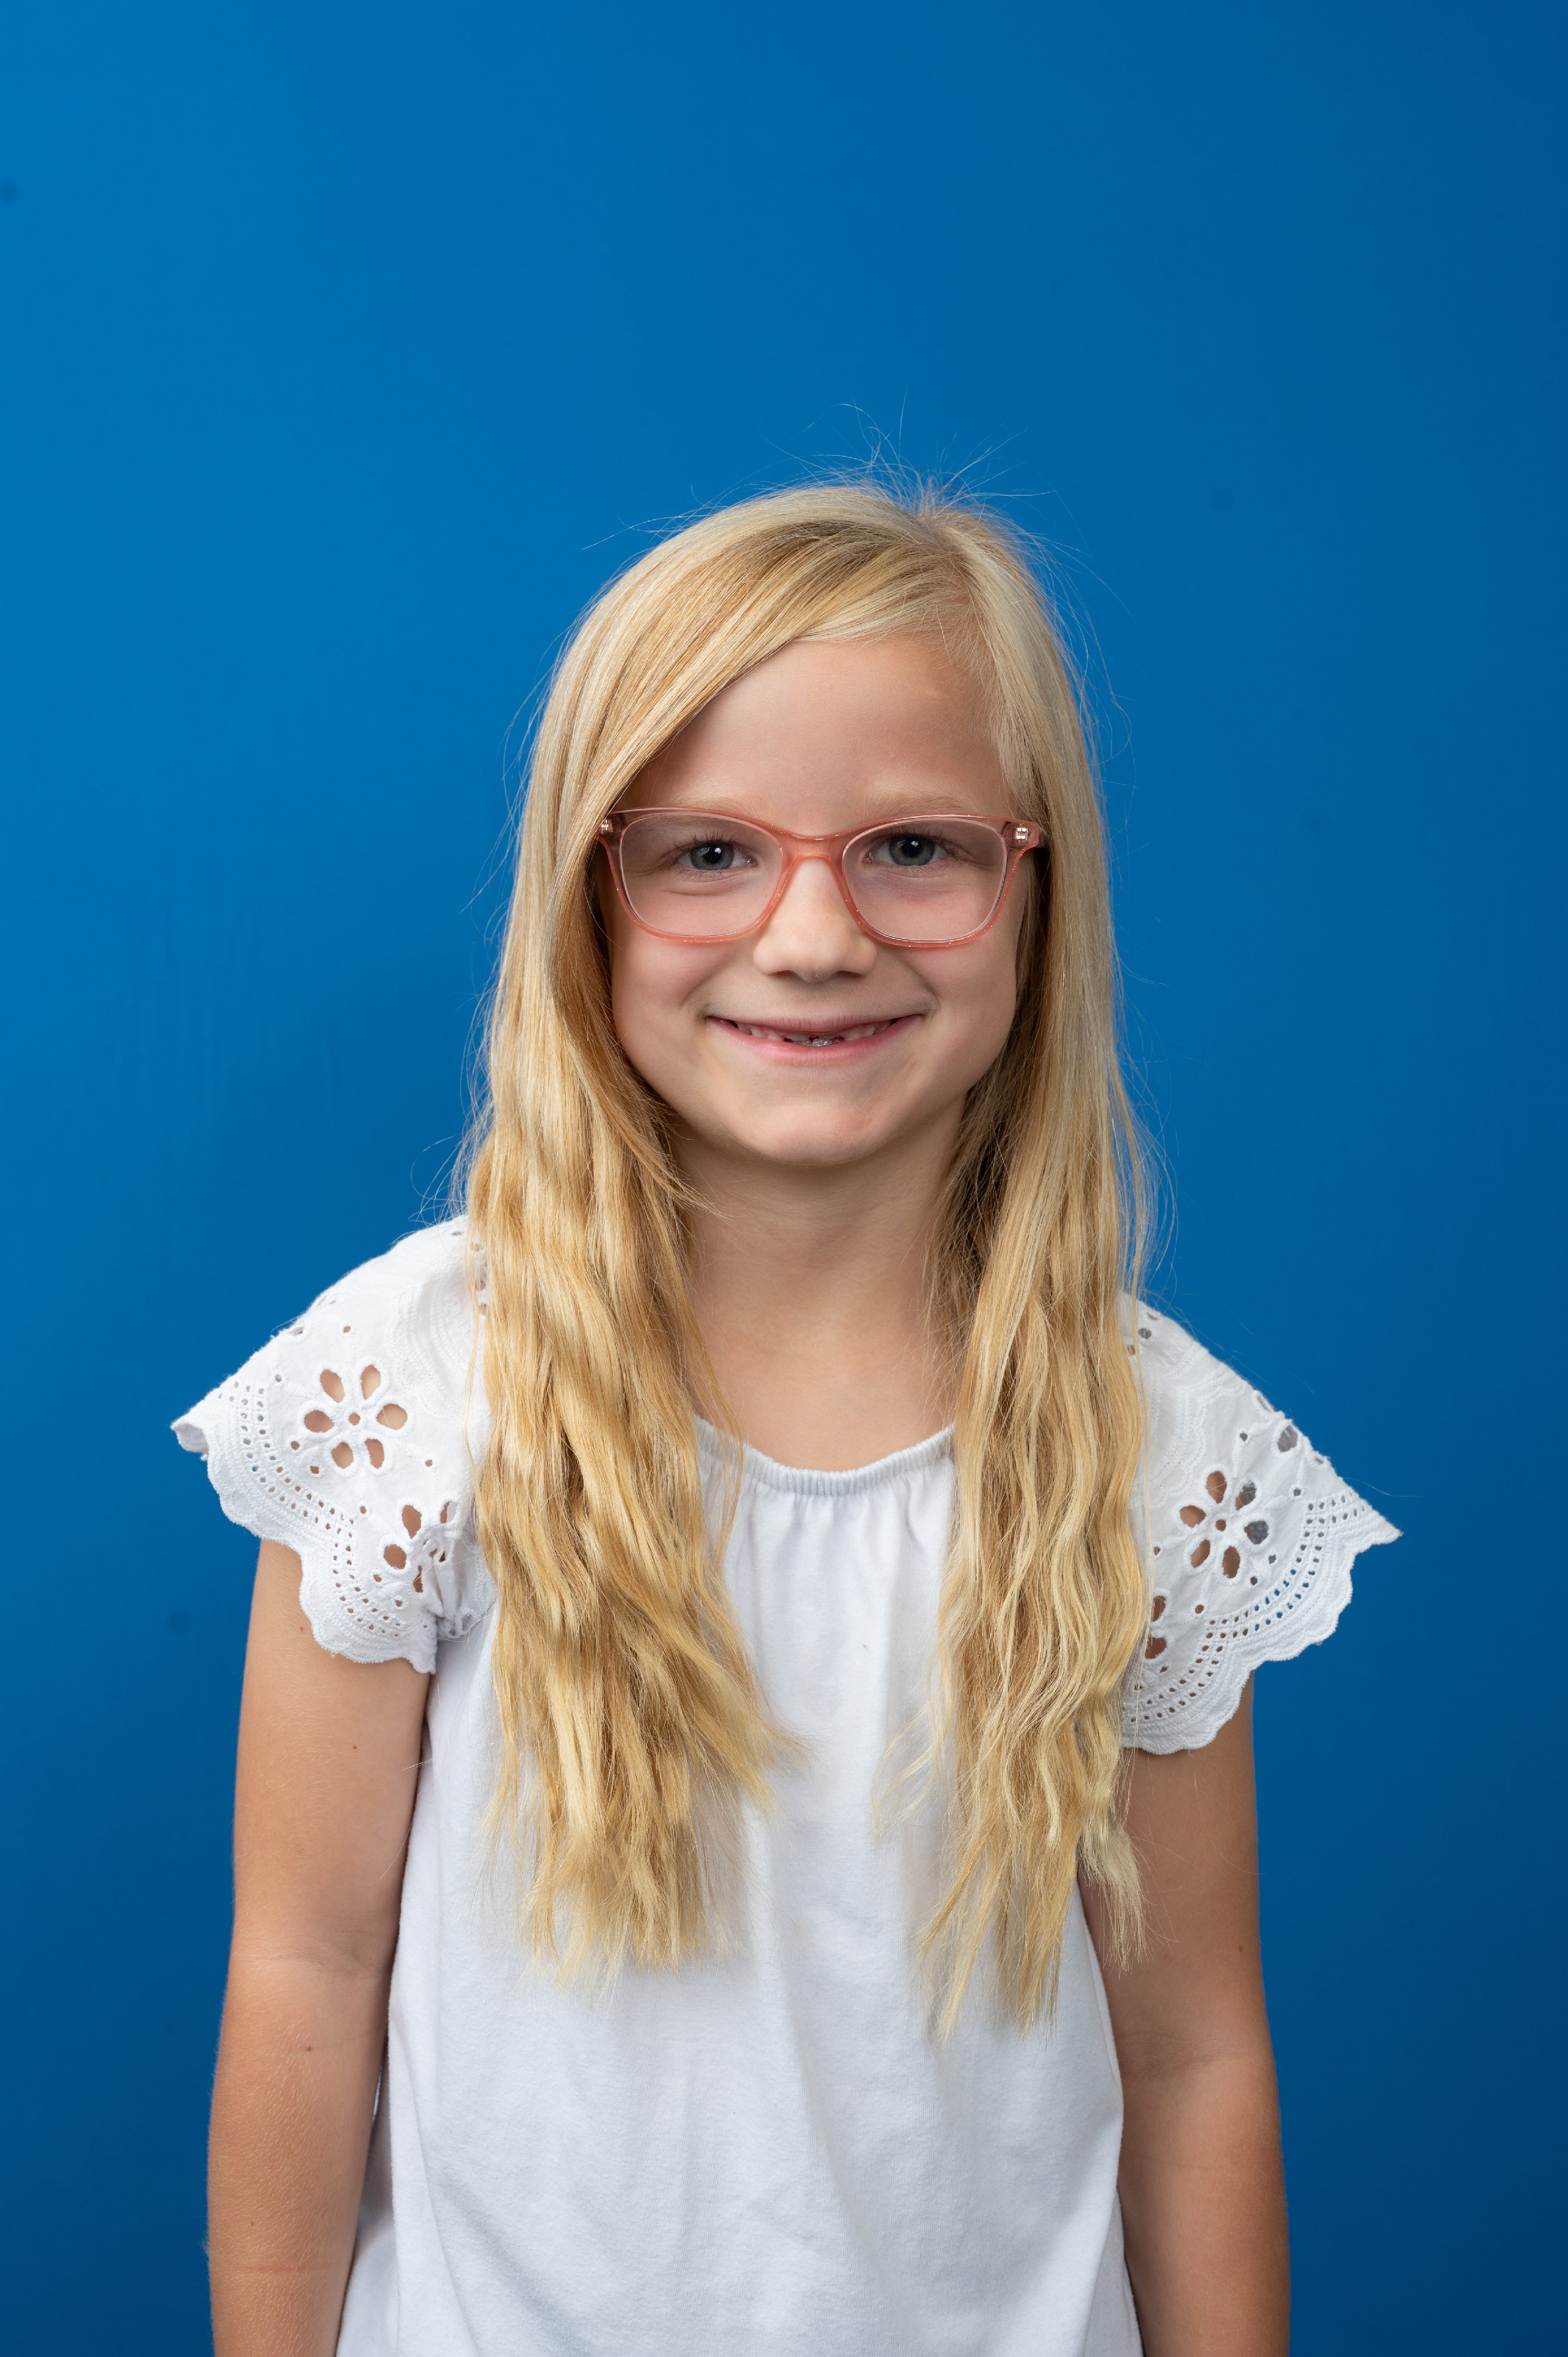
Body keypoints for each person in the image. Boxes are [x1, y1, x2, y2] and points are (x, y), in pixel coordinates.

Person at [176, 482, 1397, 2357]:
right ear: (589, 894)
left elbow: (1197, 2052)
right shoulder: (422, 1388)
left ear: (1036, 886)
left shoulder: (1151, 1450)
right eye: (708, 853)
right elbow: (303, 1969)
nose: (814, 935)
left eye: (912, 846)